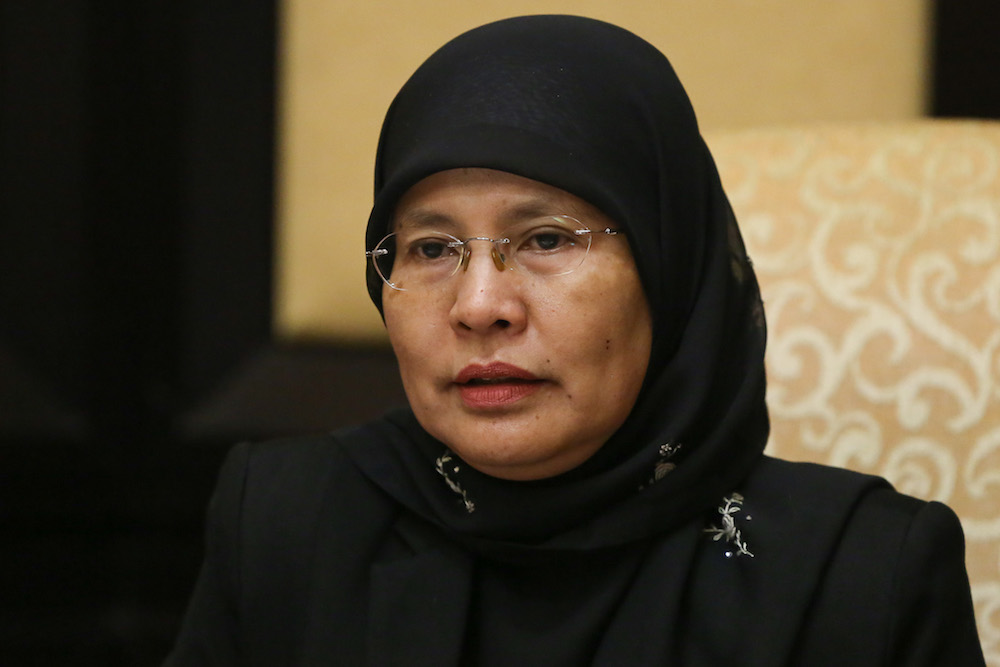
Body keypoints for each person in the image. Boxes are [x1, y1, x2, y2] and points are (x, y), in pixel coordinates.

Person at [166, 15, 985, 666]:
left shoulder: (859, 574)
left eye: (548, 239)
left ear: (667, 268)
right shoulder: (285, 523)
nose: (479, 305)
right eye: (430, 248)